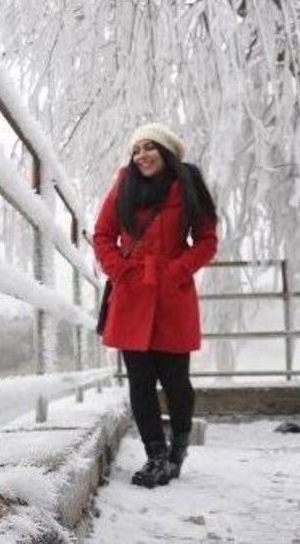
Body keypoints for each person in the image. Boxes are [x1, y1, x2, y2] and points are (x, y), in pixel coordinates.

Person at [93, 122, 218, 488]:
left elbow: (207, 240)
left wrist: (177, 271)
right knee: (141, 382)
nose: (141, 156)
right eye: (136, 149)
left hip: (172, 297)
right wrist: (121, 272)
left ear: (166, 153)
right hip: (131, 295)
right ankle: (155, 456)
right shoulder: (124, 185)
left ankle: (178, 449)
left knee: (176, 381)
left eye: (150, 148)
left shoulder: (188, 186)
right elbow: (102, 235)